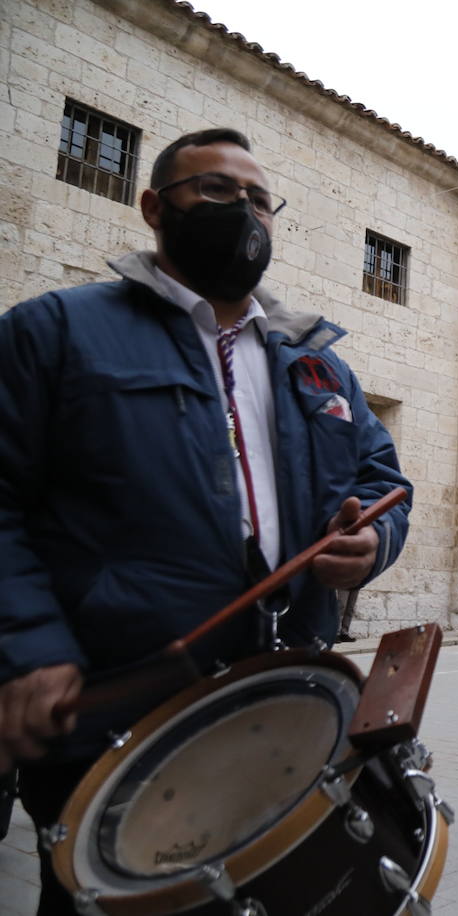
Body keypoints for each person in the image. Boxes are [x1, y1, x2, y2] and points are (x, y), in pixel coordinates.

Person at [0, 128, 412, 914]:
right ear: (155, 207)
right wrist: (30, 649)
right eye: (217, 191)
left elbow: (384, 481)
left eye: (260, 200)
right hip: (115, 722)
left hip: (276, 711)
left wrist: (373, 542)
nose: (244, 212)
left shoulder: (318, 364)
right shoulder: (54, 331)